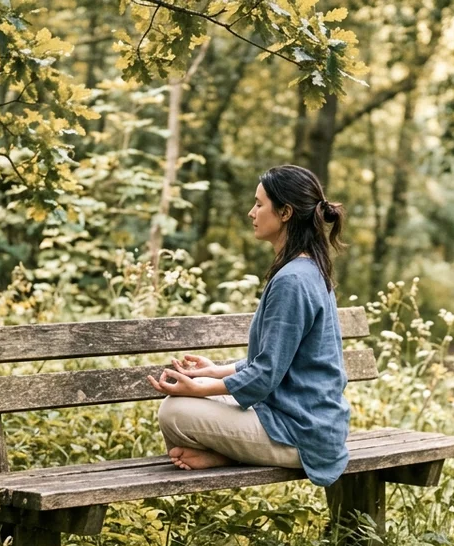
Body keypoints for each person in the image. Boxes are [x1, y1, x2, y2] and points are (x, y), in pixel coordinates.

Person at [145, 164, 352, 487]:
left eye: (259, 204)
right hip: (306, 420)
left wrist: (198, 388)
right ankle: (226, 454)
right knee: (190, 403)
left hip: (302, 431)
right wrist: (215, 371)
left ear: (285, 212)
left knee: (174, 411)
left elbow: (266, 374)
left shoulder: (293, 280)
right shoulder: (308, 269)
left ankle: (228, 455)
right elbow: (281, 361)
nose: (251, 212)